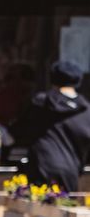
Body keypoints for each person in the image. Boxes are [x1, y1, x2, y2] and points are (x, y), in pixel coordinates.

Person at [13, 59, 90, 195]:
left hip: (41, 169)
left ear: (52, 79)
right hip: (70, 173)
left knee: (41, 212)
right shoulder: (86, 111)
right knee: (63, 212)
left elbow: (17, 132)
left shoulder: (40, 103)